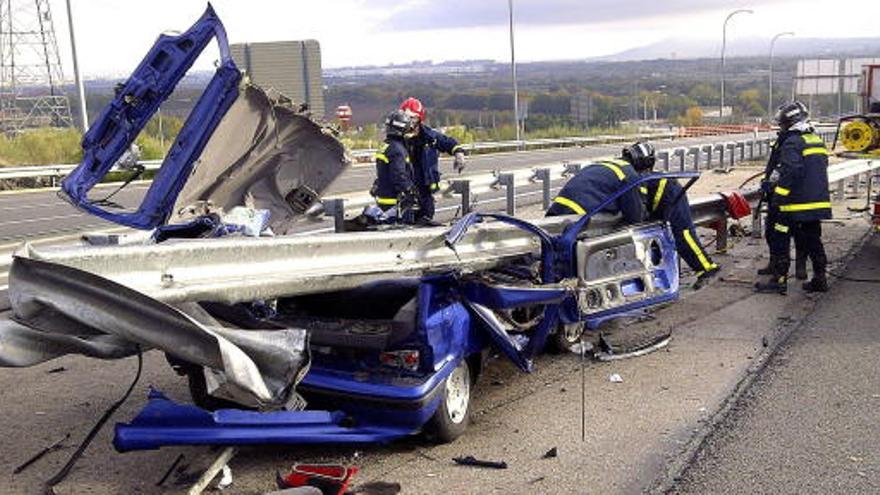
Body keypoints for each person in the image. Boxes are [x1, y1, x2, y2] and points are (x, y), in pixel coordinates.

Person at [755, 100, 831, 294]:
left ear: (789, 122)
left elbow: (791, 171)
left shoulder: (792, 142)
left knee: (780, 238)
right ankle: (820, 279)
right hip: (816, 203)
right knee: (814, 241)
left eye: (781, 123)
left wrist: (778, 196)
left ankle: (778, 280)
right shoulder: (815, 139)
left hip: (793, 206)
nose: (780, 127)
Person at [636, 143, 721, 289]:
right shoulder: (637, 175)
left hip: (670, 193)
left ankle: (707, 269)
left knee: (683, 234)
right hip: (662, 195)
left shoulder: (641, 176)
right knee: (661, 239)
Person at [399, 97, 466, 225]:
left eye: (412, 118)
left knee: (426, 220)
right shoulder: (397, 139)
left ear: (419, 118)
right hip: (405, 194)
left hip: (425, 192)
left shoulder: (429, 137)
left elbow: (447, 142)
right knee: (405, 224)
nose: (409, 122)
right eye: (406, 118)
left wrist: (459, 153)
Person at [545, 143, 646, 225]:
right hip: (578, 215)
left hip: (557, 208)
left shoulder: (604, 163)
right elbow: (634, 217)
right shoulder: (629, 174)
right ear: (643, 163)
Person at [370, 109, 419, 223]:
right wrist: (409, 190)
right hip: (394, 201)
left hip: (383, 197)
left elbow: (384, 172)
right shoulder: (398, 150)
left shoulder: (386, 146)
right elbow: (398, 175)